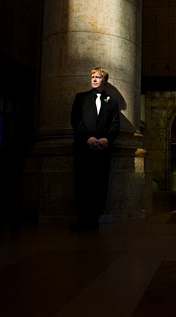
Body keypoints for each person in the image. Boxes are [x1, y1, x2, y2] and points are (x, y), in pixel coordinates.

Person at [70, 67, 120, 230]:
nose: (94, 79)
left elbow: (115, 124)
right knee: (82, 183)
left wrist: (107, 139)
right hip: (84, 149)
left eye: (98, 77)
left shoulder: (111, 102)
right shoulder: (81, 98)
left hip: (103, 151)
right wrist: (88, 138)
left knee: (100, 184)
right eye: (92, 76)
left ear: (104, 81)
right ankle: (82, 219)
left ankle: (95, 220)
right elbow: (76, 121)